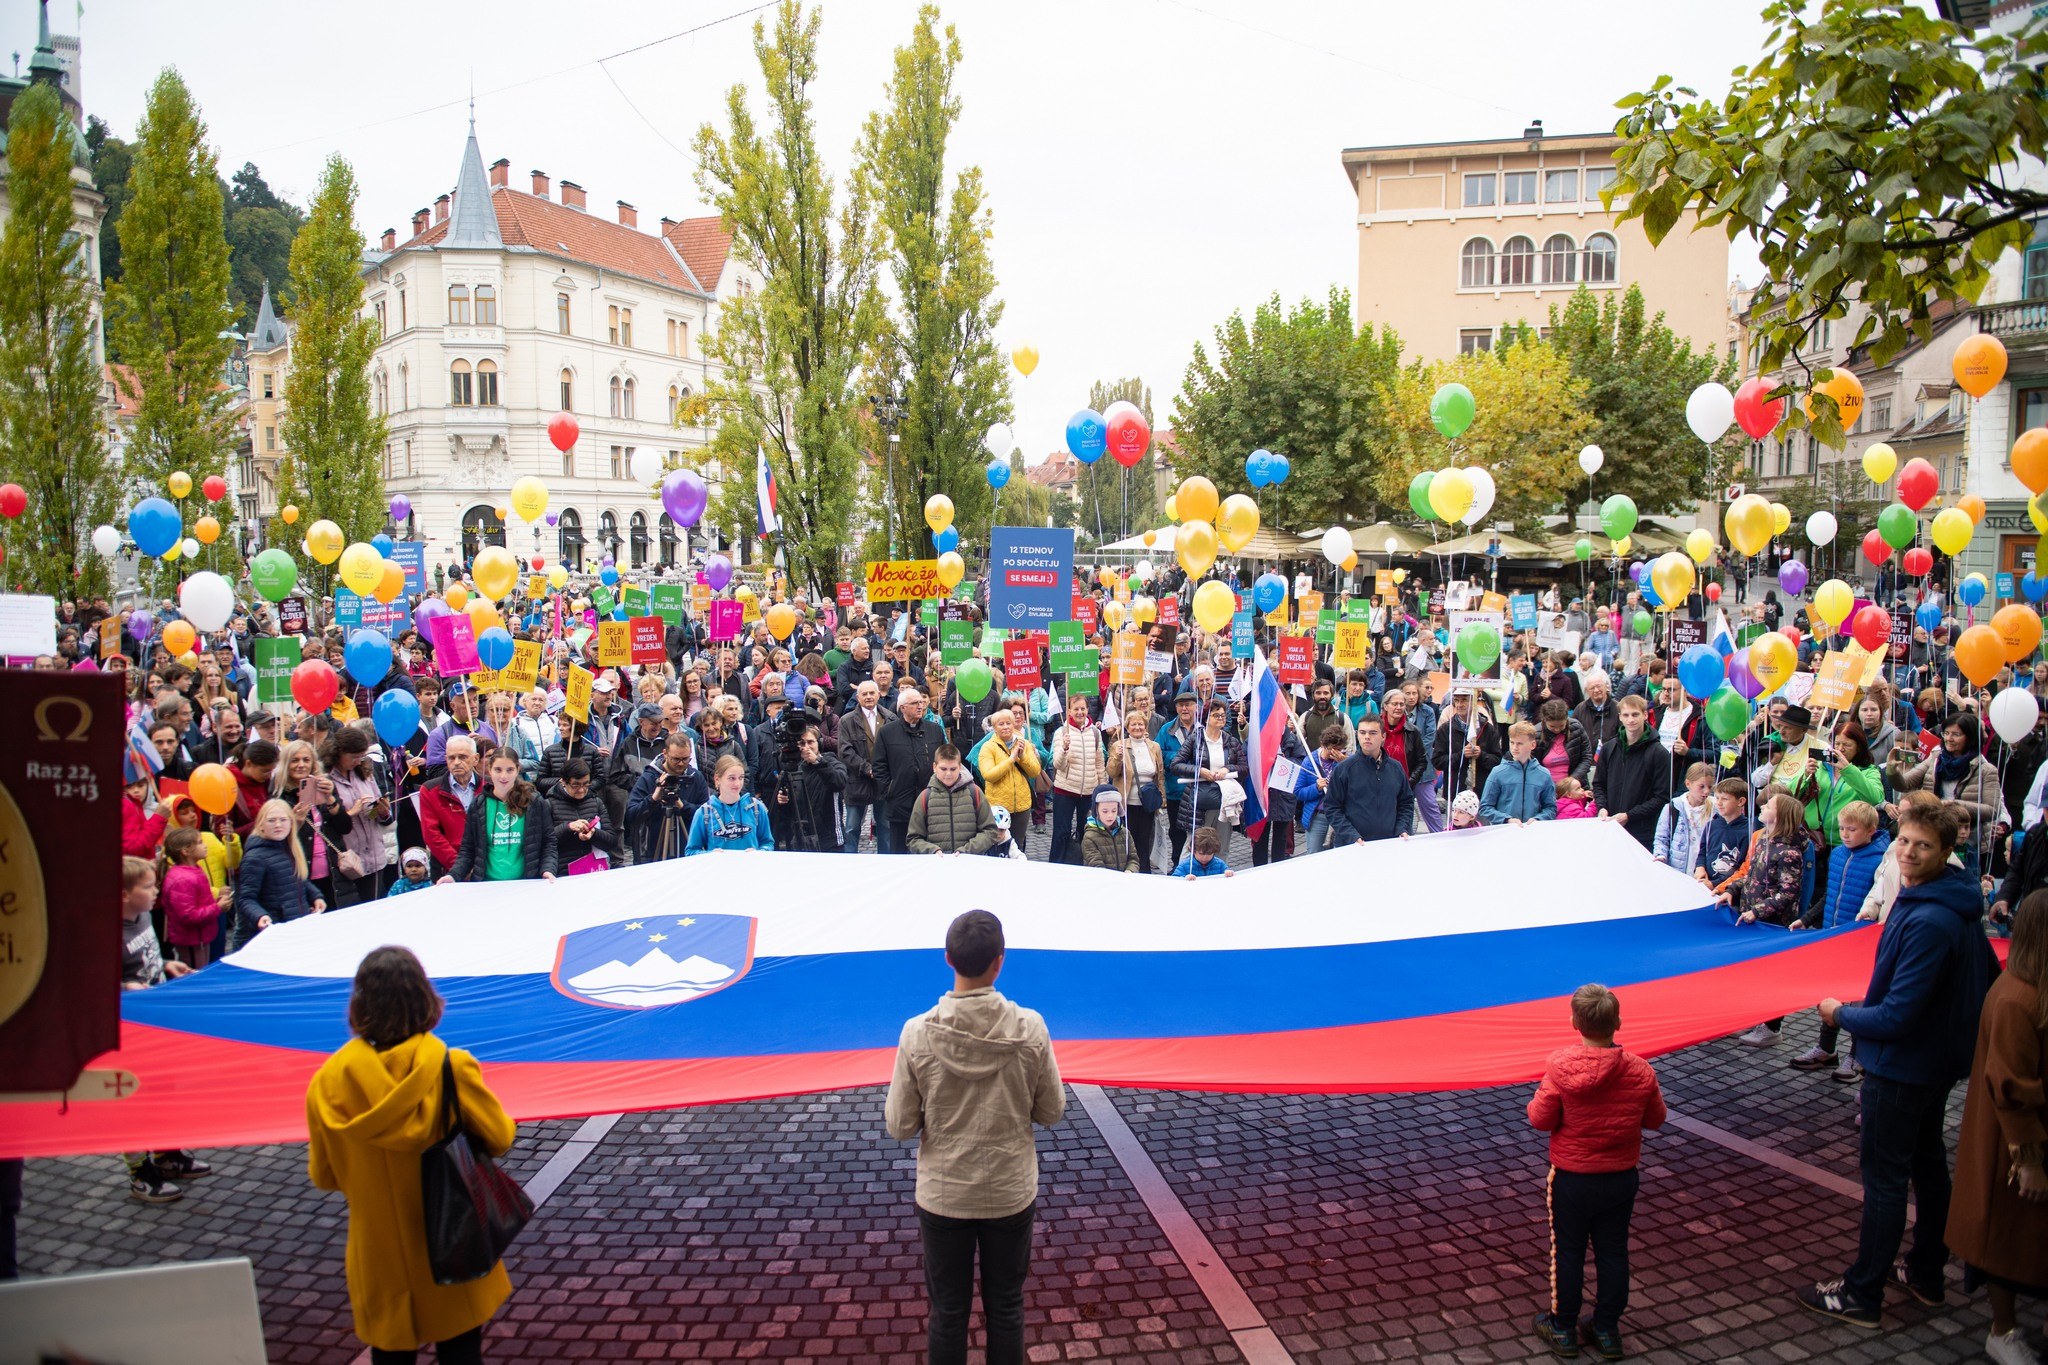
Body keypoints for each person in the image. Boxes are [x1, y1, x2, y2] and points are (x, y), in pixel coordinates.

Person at [1799, 802, 2000, 1329]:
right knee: (1929, 1165)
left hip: (1904, 1066)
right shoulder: (1946, 905)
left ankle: (1863, 1291)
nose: (1908, 853)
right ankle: (1926, 1271)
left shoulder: (1930, 918)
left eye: (1923, 845)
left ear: (1946, 853)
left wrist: (1840, 1014)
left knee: (1887, 1180)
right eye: (1903, 842)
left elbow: (1898, 1013)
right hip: (1934, 1064)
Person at [308, 946, 516, 1365]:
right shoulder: (451, 1069)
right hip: (450, 1243)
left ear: (359, 1004)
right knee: (461, 1353)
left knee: (389, 1355)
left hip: (377, 1253)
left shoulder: (327, 1083)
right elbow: (498, 1137)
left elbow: (325, 1176)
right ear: (425, 998)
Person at [884, 910, 1064, 1365]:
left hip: (944, 1194)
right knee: (1006, 1307)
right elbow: (1051, 1111)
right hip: (1009, 1192)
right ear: (999, 962)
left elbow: (900, 1125)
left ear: (948, 958)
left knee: (947, 1311)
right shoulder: (1031, 1029)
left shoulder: (916, 1034)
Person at [1528, 983, 1667, 1362]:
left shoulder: (1559, 1068)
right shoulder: (1640, 1071)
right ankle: (1606, 1329)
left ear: (1575, 1022)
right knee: (1613, 1251)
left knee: (1568, 1252)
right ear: (1618, 1022)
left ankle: (1563, 1327)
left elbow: (1540, 1119)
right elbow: (1656, 1119)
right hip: (1621, 1176)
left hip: (1572, 1177)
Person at [1944, 891, 2048, 1365]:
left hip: (2024, 1139)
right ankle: (2002, 1330)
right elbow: (2013, 1087)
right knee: (2008, 1237)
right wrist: (2027, 1159)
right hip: (2013, 1148)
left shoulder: (2030, 991)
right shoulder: (2017, 999)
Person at [119, 856, 203, 1203]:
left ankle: (167, 1153)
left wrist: (167, 965)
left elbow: (147, 957)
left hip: (156, 1018)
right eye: (148, 886)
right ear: (123, 894)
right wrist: (124, 988)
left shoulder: (142, 916)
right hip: (129, 1030)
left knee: (165, 1092)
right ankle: (140, 1172)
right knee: (135, 1101)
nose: (156, 892)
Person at [1789, 801, 1892, 1079]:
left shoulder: (1880, 860)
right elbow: (1829, 894)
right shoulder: (1838, 855)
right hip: (1834, 936)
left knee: (1859, 1000)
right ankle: (1826, 1049)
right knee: (1830, 994)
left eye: (1852, 829)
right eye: (1842, 828)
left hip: (1859, 941)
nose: (1845, 834)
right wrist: (1808, 918)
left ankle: (1857, 1056)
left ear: (1871, 830)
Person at [445, 749, 558, 882]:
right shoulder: (478, 804)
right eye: (498, 770)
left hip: (526, 883)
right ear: (489, 769)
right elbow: (468, 849)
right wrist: (453, 875)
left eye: (509, 770)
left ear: (517, 769)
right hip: (488, 885)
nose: (503, 776)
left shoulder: (534, 802)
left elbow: (548, 842)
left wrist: (548, 869)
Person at [235, 798, 327, 947]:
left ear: (291, 823)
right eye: (271, 821)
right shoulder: (254, 857)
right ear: (261, 825)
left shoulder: (290, 848)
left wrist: (316, 896)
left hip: (299, 923)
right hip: (276, 931)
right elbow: (246, 899)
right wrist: (260, 916)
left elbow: (299, 879)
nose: (278, 825)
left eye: (283, 820)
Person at [1592, 695, 1670, 851]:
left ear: (1645, 715)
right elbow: (1599, 783)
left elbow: (1662, 796)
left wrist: (1630, 815)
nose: (1631, 720)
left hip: (1643, 831)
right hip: (1611, 826)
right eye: (1626, 715)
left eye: (1635, 714)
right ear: (1620, 717)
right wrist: (1602, 807)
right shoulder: (1609, 748)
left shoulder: (1658, 752)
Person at [1325, 714, 1415, 844]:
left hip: (1388, 844)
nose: (1367, 737)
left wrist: (1402, 828)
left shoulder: (1396, 768)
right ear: (1357, 735)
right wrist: (1351, 835)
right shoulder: (1344, 769)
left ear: (1383, 736)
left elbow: (1406, 803)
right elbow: (1332, 807)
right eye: (1363, 732)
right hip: (1353, 846)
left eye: (1373, 733)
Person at [879, 689, 948, 857]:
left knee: (930, 849)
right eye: (915, 703)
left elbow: (943, 761)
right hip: (899, 801)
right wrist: (889, 789)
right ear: (902, 707)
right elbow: (879, 766)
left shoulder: (935, 730)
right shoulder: (887, 732)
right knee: (898, 851)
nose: (920, 706)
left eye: (922, 702)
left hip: (929, 799)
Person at [627, 731, 708, 863]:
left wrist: (682, 806)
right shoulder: (649, 777)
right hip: (652, 852)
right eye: (676, 759)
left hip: (686, 851)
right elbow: (631, 814)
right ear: (665, 754)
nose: (681, 764)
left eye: (686, 759)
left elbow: (707, 816)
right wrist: (653, 799)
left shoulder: (695, 778)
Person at [1048, 694, 1108, 865]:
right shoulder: (1061, 732)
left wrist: (1102, 787)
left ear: (1088, 710)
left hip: (1089, 791)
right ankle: (1056, 865)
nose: (1080, 712)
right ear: (1069, 711)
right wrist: (1064, 749)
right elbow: (1057, 764)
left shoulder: (1095, 733)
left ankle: (1085, 865)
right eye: (1076, 709)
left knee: (1087, 832)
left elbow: (1099, 763)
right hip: (1065, 790)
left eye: (1083, 708)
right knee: (1061, 832)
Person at [908, 745, 999, 856]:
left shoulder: (974, 792)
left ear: (960, 767)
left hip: (969, 865)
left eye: (953, 769)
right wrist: (931, 850)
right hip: (936, 867)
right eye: (943, 769)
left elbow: (990, 830)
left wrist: (967, 850)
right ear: (934, 767)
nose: (948, 774)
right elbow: (913, 839)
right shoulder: (925, 797)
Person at [161, 828, 223, 971]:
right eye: (200, 843)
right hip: (192, 939)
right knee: (194, 973)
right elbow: (188, 916)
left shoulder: (193, 870)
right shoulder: (182, 879)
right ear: (186, 851)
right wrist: (218, 907)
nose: (205, 845)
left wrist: (215, 901)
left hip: (200, 937)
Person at [685, 755, 775, 853]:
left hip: (749, 867)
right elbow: (691, 851)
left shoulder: (756, 808)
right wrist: (709, 855)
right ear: (717, 779)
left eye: (741, 778)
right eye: (731, 778)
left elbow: (768, 843)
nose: (737, 783)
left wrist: (760, 852)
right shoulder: (704, 812)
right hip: (719, 867)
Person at [840, 679, 889, 853]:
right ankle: (850, 863)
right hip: (856, 781)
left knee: (885, 827)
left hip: (883, 783)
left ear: (878, 694)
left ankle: (886, 863)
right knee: (852, 828)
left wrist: (882, 771)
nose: (868, 697)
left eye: (871, 693)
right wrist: (867, 768)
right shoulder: (846, 721)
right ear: (857, 697)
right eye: (864, 694)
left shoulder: (889, 717)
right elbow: (845, 752)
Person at [547, 758, 620, 872]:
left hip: (593, 870)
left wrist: (594, 834)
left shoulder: (596, 802)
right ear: (563, 782)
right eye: (575, 785)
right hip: (563, 872)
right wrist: (568, 828)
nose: (581, 790)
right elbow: (544, 842)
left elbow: (611, 842)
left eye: (586, 784)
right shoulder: (549, 804)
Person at [784, 724, 848, 853]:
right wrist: (784, 800)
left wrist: (817, 762)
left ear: (819, 743)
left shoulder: (832, 762)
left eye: (810, 742)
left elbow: (839, 782)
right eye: (802, 743)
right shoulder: (797, 769)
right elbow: (792, 809)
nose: (806, 747)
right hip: (802, 838)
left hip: (829, 839)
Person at [1481, 722, 1559, 826]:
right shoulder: (1497, 773)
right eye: (1512, 742)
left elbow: (1551, 808)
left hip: (1532, 833)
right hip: (1504, 833)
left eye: (1520, 743)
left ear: (1533, 745)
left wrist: (1539, 819)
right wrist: (1506, 820)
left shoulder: (1544, 774)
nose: (1514, 748)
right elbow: (1485, 807)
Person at [1297, 726, 1356, 852]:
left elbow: (1356, 788)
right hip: (1319, 816)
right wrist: (1316, 788)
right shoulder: (1310, 762)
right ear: (1323, 745)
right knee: (1314, 855)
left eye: (1340, 749)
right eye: (1332, 749)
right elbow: (1298, 792)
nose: (1336, 753)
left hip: (1341, 816)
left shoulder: (1348, 760)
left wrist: (1344, 765)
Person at [1651, 763, 1715, 877]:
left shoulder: (1715, 809)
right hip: (1677, 871)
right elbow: (1662, 837)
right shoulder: (1673, 807)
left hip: (1703, 872)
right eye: (1701, 786)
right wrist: (1660, 856)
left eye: (1710, 787)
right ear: (1688, 784)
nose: (1706, 792)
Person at [1080, 784, 1138, 872]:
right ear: (1096, 810)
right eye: (1105, 811)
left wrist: (1130, 871)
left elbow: (1133, 859)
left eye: (1114, 810)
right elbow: (1096, 865)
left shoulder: (1125, 833)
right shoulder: (1089, 837)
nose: (1110, 815)